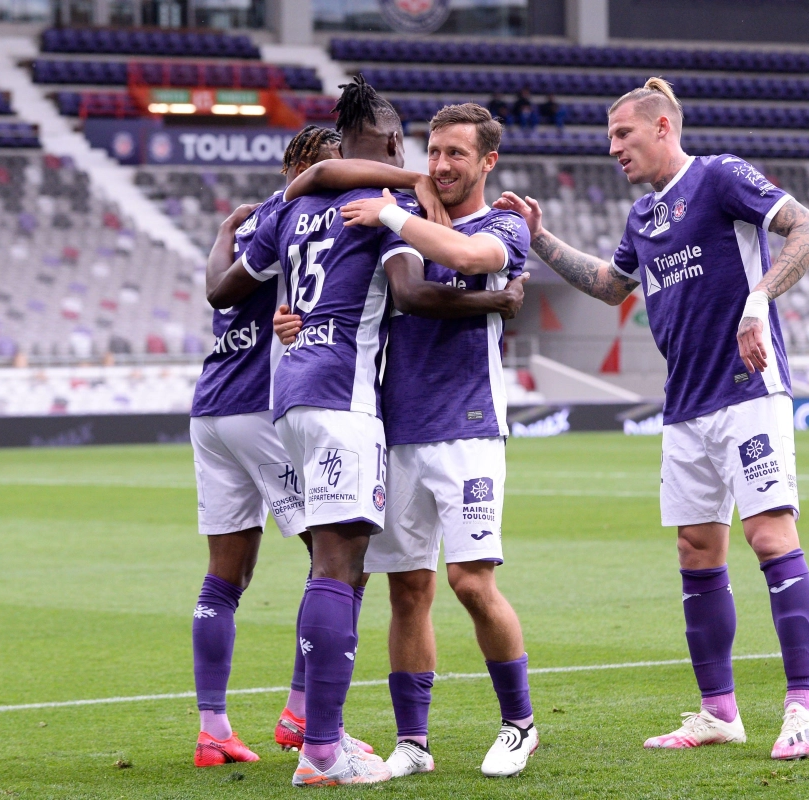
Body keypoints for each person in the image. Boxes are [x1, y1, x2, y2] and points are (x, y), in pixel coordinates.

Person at [495, 78, 809, 760]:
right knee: (696, 553)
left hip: (748, 392)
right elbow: (611, 286)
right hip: (685, 407)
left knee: (769, 537)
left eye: (623, 135)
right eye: (610, 138)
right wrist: (539, 239)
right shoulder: (642, 219)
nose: (614, 148)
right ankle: (718, 712)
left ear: (662, 129)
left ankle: (803, 708)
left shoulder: (718, 177)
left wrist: (759, 299)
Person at [277, 102, 539, 778]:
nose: (443, 164)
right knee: (407, 589)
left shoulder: (501, 223)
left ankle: (520, 724)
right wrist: (294, 321)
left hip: (470, 427)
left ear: (488, 161)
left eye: (458, 154)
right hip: (396, 429)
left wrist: (396, 212)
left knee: (470, 580)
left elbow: (471, 255)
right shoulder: (398, 220)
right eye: (436, 152)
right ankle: (413, 743)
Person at [208, 76, 425, 786]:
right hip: (342, 397)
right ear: (393, 143)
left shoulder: (288, 210)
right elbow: (411, 293)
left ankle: (315, 731)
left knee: (334, 559)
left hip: (290, 395)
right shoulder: (383, 206)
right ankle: (321, 750)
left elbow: (229, 287)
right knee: (340, 563)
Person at [189, 125, 338, 768]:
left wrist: (223, 232)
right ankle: (300, 714)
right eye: (334, 164)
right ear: (305, 166)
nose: (343, 174)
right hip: (258, 405)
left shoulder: (249, 228)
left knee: (227, 577)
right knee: (333, 555)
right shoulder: (296, 216)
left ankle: (213, 728)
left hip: (211, 409)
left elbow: (217, 288)